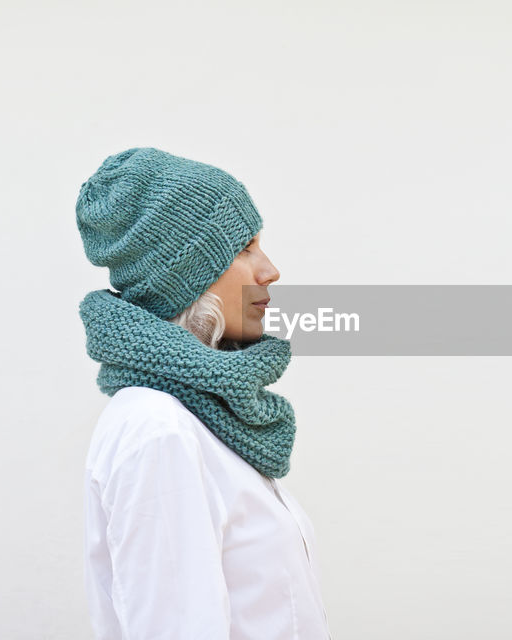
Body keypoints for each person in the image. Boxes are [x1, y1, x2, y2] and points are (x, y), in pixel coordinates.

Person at [75, 147, 331, 639]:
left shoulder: (204, 416)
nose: (270, 270)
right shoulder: (157, 429)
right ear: (187, 276)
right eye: (244, 248)